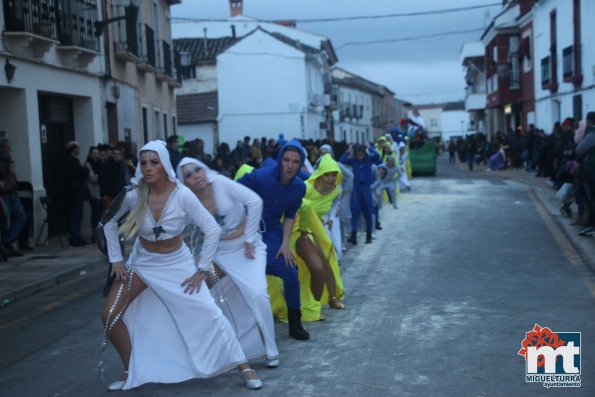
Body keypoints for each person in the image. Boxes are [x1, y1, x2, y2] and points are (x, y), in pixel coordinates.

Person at [99, 141, 262, 391]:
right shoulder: (134, 194)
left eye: (154, 162)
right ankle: (131, 368)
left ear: (164, 165)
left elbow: (211, 229)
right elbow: (109, 222)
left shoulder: (182, 195)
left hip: (178, 263)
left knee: (210, 312)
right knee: (109, 314)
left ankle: (243, 364)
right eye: (144, 163)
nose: (148, 168)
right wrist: (116, 259)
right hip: (143, 265)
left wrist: (202, 269)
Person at [176, 157, 280, 367]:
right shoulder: (187, 200)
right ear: (183, 181)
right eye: (188, 175)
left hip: (246, 248)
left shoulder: (221, 183)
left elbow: (255, 201)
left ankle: (271, 349)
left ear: (205, 170)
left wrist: (250, 237)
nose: (196, 176)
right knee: (200, 292)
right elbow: (177, 228)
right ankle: (223, 346)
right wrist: (195, 257)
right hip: (219, 252)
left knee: (258, 293)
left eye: (198, 170)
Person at [238, 139, 310, 340]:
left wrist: (285, 243)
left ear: (300, 163)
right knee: (237, 274)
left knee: (289, 269)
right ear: (280, 160)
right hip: (244, 230)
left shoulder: (298, 187)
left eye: (295, 162)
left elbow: (289, 215)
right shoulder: (261, 177)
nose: (290, 165)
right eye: (286, 160)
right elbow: (234, 191)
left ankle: (295, 323)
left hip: (271, 232)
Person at [339, 142, 381, 245]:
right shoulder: (353, 160)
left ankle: (369, 235)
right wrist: (348, 151)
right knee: (355, 211)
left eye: (362, 154)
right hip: (356, 188)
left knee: (368, 211)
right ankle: (353, 235)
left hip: (366, 188)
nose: (360, 156)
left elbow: (377, 155)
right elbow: (342, 161)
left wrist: (369, 148)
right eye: (358, 154)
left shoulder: (369, 160)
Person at [0, 138, 26, 256]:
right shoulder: (2, 160)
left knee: (21, 216)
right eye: (8, 146)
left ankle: (7, 242)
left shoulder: (9, 160)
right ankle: (7, 245)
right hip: (3, 192)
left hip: (12, 191)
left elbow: (12, 174)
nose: (10, 148)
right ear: (3, 147)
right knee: (6, 219)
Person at [64, 141, 90, 247]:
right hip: (74, 194)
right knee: (75, 216)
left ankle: (77, 237)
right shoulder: (70, 162)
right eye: (78, 148)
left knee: (78, 216)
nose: (79, 150)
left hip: (77, 193)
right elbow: (83, 171)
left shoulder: (74, 161)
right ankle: (75, 238)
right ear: (74, 150)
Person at [84, 146, 101, 235]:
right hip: (93, 193)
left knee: (99, 214)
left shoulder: (100, 163)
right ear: (90, 154)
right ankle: (95, 235)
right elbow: (92, 178)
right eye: (93, 153)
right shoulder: (87, 164)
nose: (95, 155)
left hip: (101, 192)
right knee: (95, 214)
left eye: (97, 153)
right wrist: (100, 176)